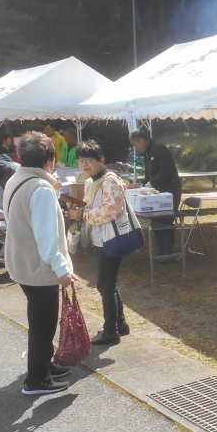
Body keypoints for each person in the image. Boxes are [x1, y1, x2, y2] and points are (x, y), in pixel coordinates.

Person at [3, 131, 75, 395]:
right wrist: (62, 270)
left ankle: (44, 366)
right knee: (43, 326)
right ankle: (36, 380)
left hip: (21, 262)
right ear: (50, 159)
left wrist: (50, 186)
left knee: (40, 320)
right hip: (38, 267)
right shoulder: (40, 189)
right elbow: (48, 239)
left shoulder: (17, 179)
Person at [68, 140, 130, 345]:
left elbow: (113, 211)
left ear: (101, 160)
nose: (84, 165)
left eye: (88, 160)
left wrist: (83, 215)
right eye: (80, 161)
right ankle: (120, 324)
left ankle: (110, 331)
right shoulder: (92, 181)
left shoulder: (110, 181)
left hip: (110, 239)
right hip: (101, 238)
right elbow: (92, 206)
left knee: (104, 285)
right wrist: (78, 210)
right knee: (108, 283)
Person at [128, 128, 182, 259]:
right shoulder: (147, 152)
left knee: (166, 220)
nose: (135, 148)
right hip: (157, 192)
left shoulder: (159, 148)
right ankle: (161, 249)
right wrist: (144, 185)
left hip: (170, 190)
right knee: (155, 220)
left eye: (135, 145)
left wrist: (151, 183)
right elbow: (148, 172)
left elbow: (166, 170)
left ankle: (168, 252)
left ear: (142, 140)